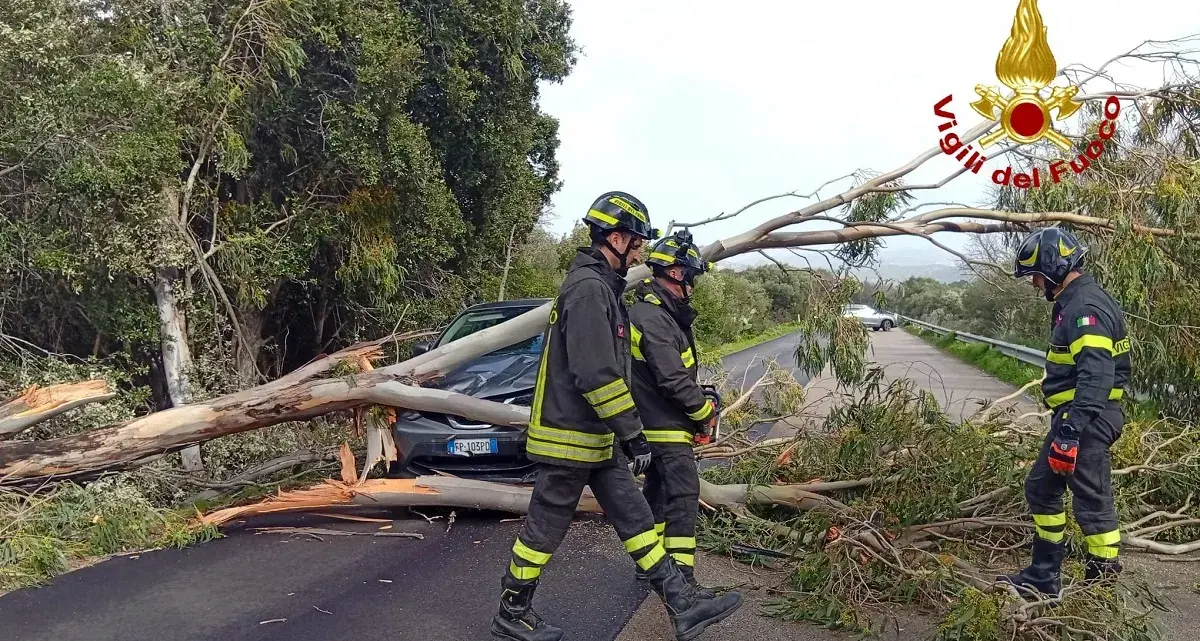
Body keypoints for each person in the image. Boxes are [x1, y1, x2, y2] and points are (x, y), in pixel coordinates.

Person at [491, 192, 743, 641]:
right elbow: (597, 374)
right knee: (544, 528)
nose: (642, 253)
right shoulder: (589, 290)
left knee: (638, 520)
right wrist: (635, 434)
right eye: (638, 244)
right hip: (570, 437)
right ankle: (512, 610)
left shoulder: (603, 288)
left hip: (594, 436)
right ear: (617, 237)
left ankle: (682, 606)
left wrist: (622, 433)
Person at [998, 227, 1130, 598]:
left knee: (1092, 500)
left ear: (1054, 267)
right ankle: (1044, 575)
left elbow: (1097, 374)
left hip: (1088, 419)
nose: (1035, 284)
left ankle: (1099, 589)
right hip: (1079, 417)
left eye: (1036, 275)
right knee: (1041, 487)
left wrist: (1071, 431)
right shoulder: (1073, 303)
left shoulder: (1084, 308)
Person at [627, 230, 727, 600]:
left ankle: (650, 566)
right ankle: (682, 580)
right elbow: (670, 378)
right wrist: (703, 413)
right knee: (684, 496)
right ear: (676, 274)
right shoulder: (653, 317)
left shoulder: (657, 314)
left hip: (652, 423)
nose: (694, 287)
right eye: (692, 278)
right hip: (664, 426)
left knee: (655, 493)